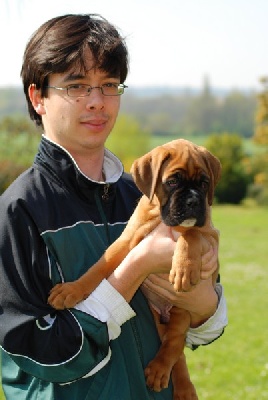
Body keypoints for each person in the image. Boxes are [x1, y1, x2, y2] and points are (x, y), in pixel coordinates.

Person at [0, 14, 227, 400]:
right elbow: (46, 360)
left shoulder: (140, 193)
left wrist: (202, 297)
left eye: (108, 85)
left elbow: (208, 328)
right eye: (76, 86)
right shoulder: (17, 211)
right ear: (38, 97)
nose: (96, 101)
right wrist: (137, 267)